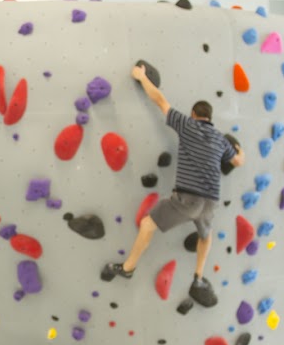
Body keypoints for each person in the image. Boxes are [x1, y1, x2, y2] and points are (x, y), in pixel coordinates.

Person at [101, 63, 245, 308]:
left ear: (193, 115)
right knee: (205, 236)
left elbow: (159, 100)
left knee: (147, 225)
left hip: (188, 199)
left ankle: (128, 267)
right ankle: (198, 277)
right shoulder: (220, 139)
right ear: (210, 118)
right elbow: (238, 161)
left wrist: (141, 76)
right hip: (211, 202)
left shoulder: (187, 125)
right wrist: (240, 148)